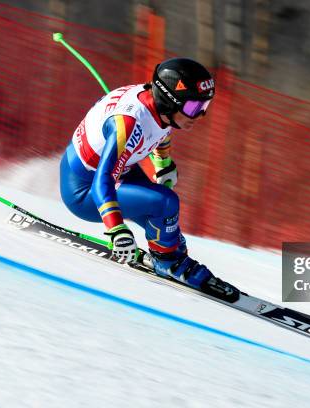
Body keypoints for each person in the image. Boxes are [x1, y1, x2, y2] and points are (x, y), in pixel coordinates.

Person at [59, 57, 239, 301]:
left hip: (116, 170)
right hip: (84, 190)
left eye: (203, 108)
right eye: (193, 108)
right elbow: (103, 180)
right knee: (166, 203)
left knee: (173, 237)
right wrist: (116, 229)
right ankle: (166, 263)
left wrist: (163, 163)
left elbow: (159, 129)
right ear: (169, 101)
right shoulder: (129, 123)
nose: (198, 116)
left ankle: (168, 255)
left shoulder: (157, 106)